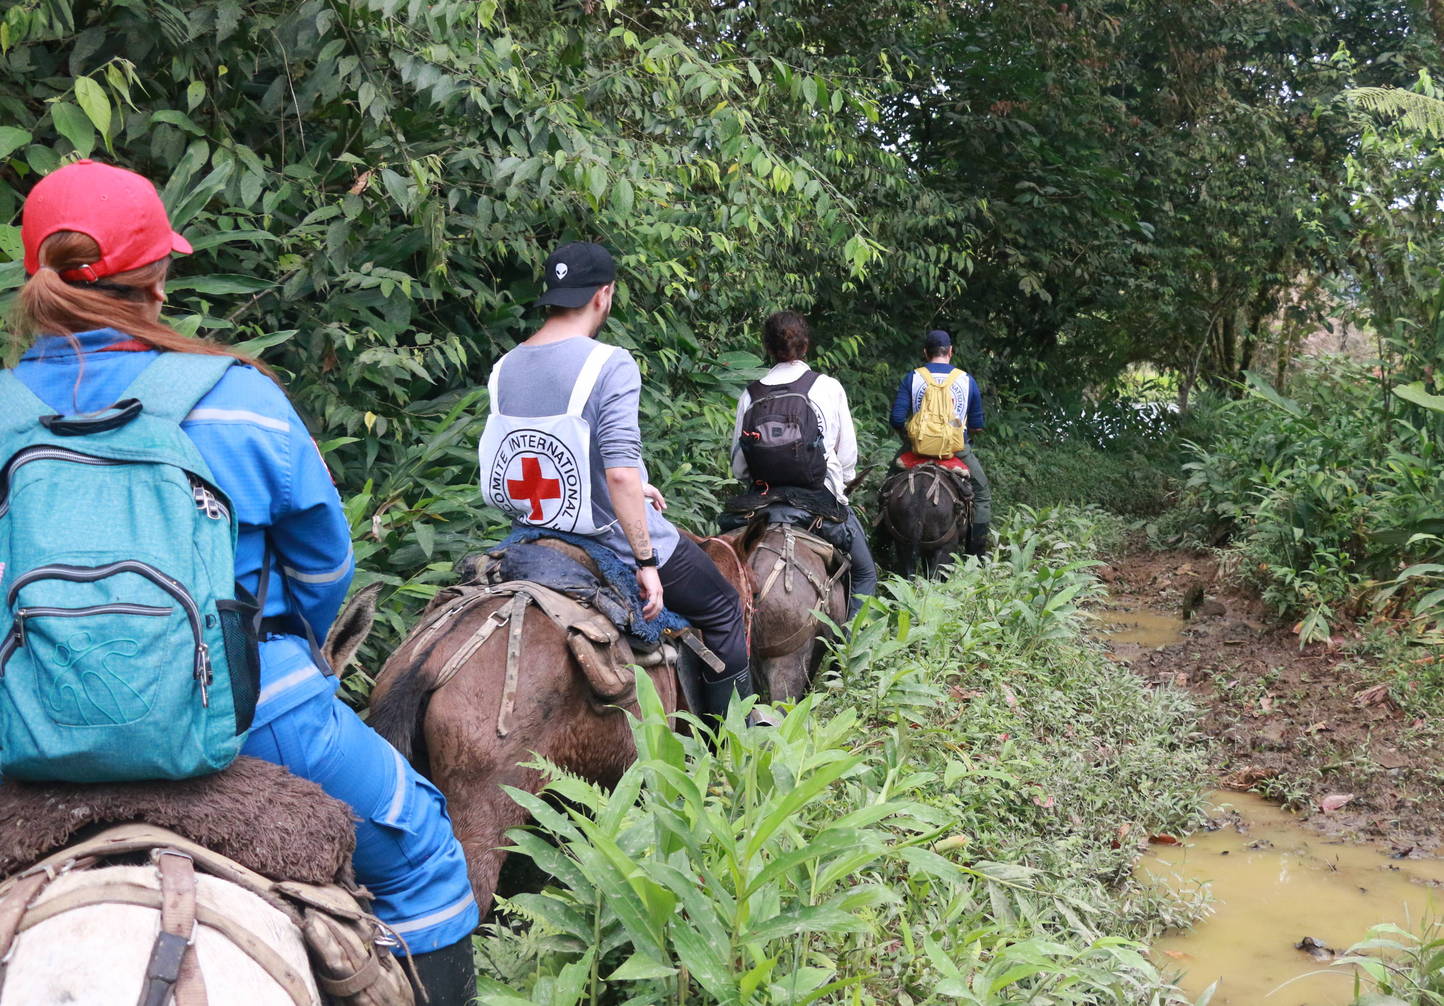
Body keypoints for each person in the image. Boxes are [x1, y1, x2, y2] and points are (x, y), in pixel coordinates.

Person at [6, 160, 478, 1002]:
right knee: (426, 858)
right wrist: (278, 649)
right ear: (157, 277)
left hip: (23, 722)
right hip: (256, 713)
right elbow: (322, 567)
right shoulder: (239, 398)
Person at [480, 240, 757, 718]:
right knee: (723, 606)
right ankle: (731, 744)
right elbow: (622, 474)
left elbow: (532, 455)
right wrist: (646, 562)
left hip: (531, 531)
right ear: (603, 295)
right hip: (610, 540)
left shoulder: (504, 367)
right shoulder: (609, 362)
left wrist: (624, 485)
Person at [730, 310, 878, 614]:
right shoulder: (828, 387)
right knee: (865, 574)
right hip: (817, 501)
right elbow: (847, 456)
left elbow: (739, 467)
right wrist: (839, 485)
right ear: (806, 345)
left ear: (768, 348)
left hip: (761, 501)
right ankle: (849, 652)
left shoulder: (750, 394)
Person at [889, 328, 991, 559]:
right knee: (982, 494)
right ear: (950, 352)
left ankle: (882, 542)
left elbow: (896, 419)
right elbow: (977, 425)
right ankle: (976, 553)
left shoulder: (913, 377)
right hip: (955, 450)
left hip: (917, 447)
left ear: (925, 353)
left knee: (888, 487)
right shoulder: (966, 380)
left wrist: (910, 438)